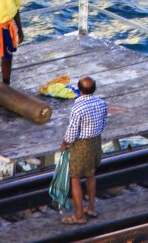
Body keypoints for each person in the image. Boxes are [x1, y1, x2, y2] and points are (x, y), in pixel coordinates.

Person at [60, 76, 108, 224]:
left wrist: (65, 142)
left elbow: (73, 130)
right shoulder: (102, 103)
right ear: (94, 89)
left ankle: (79, 215)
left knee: (75, 178)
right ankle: (91, 207)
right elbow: (103, 121)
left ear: (79, 90)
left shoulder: (77, 108)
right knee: (91, 174)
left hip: (81, 145)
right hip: (95, 142)